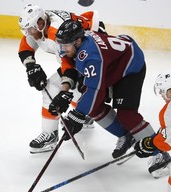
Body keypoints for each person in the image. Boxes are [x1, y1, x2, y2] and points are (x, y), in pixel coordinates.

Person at [50, 19, 171, 178]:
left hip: (130, 65)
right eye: (61, 45)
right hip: (112, 64)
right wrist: (64, 92)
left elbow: (95, 90)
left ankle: (160, 153)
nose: (62, 49)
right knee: (93, 107)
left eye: (66, 45)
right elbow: (72, 66)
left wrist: (77, 116)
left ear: (78, 41)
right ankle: (126, 135)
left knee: (127, 115)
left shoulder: (91, 56)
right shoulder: (79, 46)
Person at [18, 4, 106, 153]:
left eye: (31, 28)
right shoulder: (38, 27)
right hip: (79, 51)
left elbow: (68, 65)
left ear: (41, 23)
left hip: (93, 49)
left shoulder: (56, 34)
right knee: (60, 88)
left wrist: (65, 88)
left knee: (59, 87)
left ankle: (81, 116)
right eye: (27, 29)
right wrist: (30, 66)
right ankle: (83, 116)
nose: (29, 32)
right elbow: (26, 46)